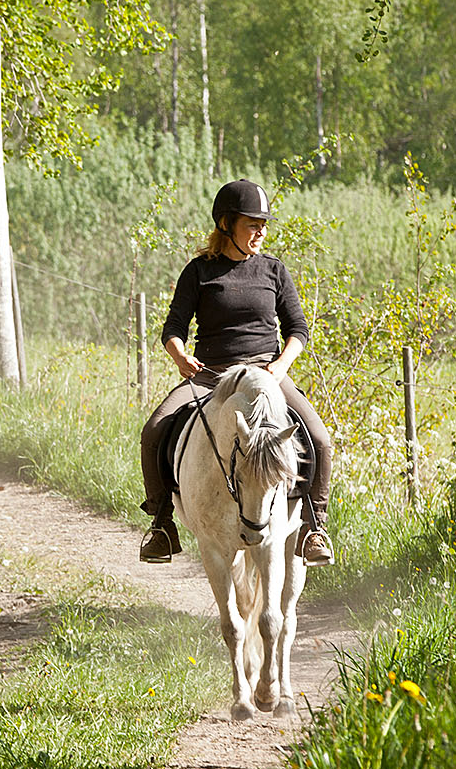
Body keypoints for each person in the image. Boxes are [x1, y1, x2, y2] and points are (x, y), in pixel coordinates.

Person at [138, 178, 336, 566]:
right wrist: (180, 357)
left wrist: (280, 368)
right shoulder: (199, 272)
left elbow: (298, 328)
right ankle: (162, 524)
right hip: (211, 376)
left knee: (321, 440)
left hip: (267, 374)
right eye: (252, 223)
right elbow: (173, 329)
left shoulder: (274, 271)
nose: (261, 231)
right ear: (227, 224)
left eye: (264, 225)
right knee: (155, 429)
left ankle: (314, 526)